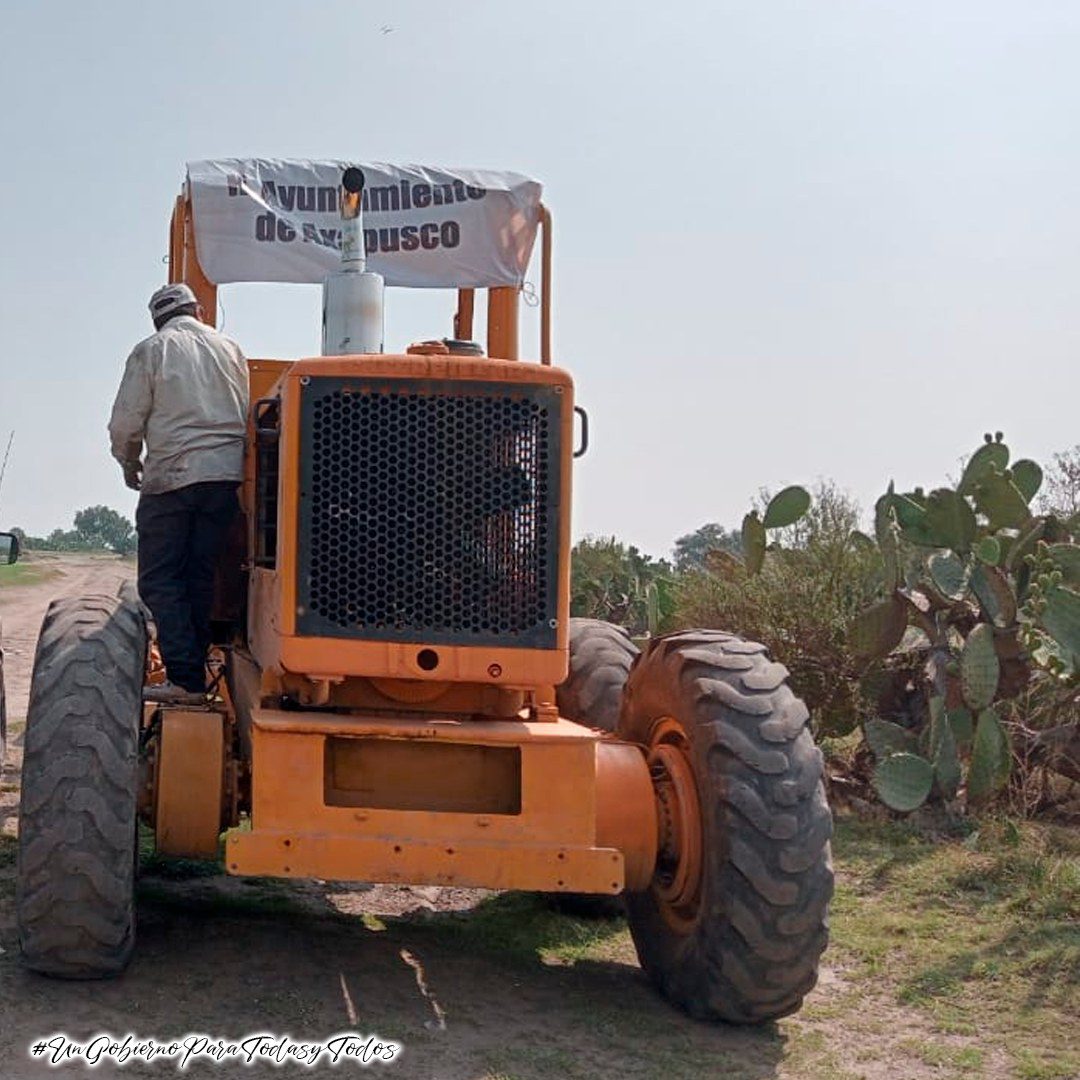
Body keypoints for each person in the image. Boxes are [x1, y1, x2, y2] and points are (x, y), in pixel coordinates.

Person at [109, 283, 250, 704]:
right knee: (200, 576)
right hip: (224, 481)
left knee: (160, 581)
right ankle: (198, 670)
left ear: (157, 319)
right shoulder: (232, 349)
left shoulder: (152, 350)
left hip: (171, 479)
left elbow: (125, 424)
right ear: (200, 310)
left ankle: (185, 680)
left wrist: (129, 462)